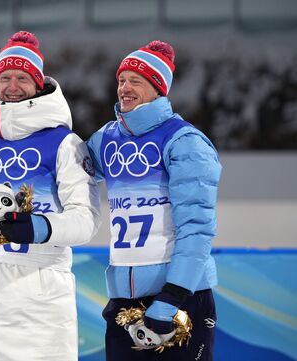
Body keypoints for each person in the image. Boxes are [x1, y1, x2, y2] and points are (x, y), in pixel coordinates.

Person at [0, 31, 101, 361]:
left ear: (38, 84)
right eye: (6, 77)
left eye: (23, 78)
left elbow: (87, 220)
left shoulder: (64, 143)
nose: (13, 86)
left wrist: (41, 227)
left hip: (38, 294)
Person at [86, 40, 222, 361]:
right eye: (121, 80)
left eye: (136, 81)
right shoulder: (106, 138)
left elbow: (197, 228)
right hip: (124, 302)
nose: (125, 88)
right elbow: (61, 165)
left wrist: (172, 296)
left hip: (179, 298)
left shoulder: (184, 141)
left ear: (158, 90)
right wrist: (4, 124)